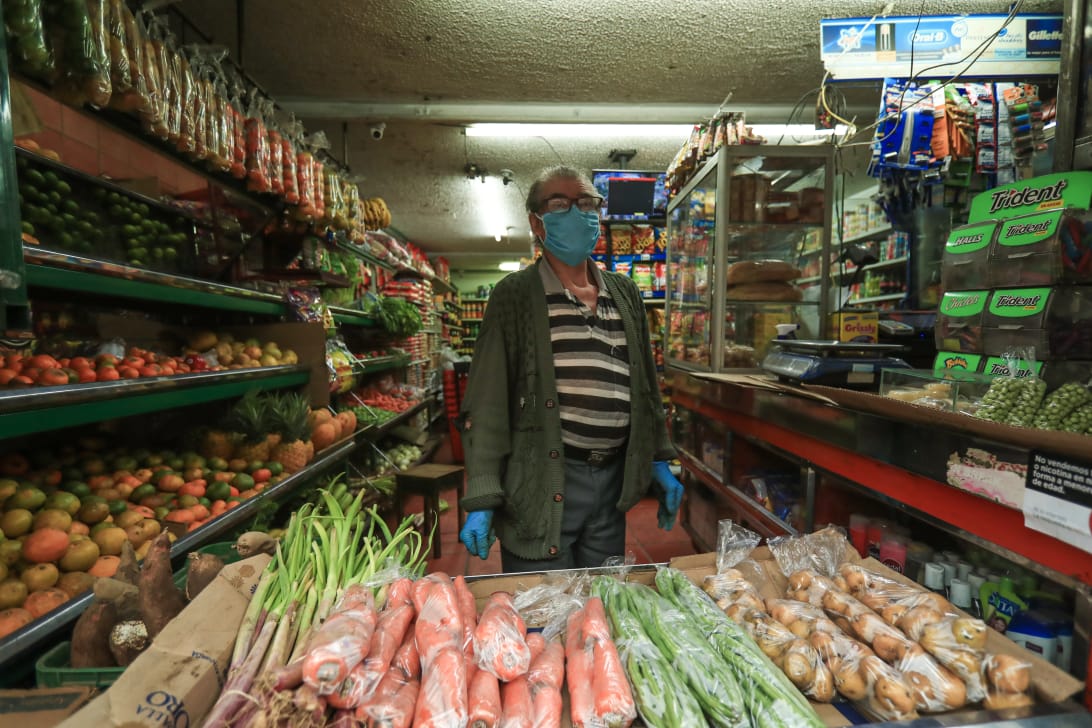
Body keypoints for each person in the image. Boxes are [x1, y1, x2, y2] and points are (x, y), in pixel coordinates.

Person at [457, 165, 684, 573]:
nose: (577, 213)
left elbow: (646, 386)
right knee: (545, 613)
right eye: (560, 204)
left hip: (612, 484)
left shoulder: (625, 292)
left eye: (586, 203)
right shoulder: (515, 295)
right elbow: (487, 401)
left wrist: (657, 459)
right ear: (536, 222)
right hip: (541, 481)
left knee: (601, 606)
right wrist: (482, 497)